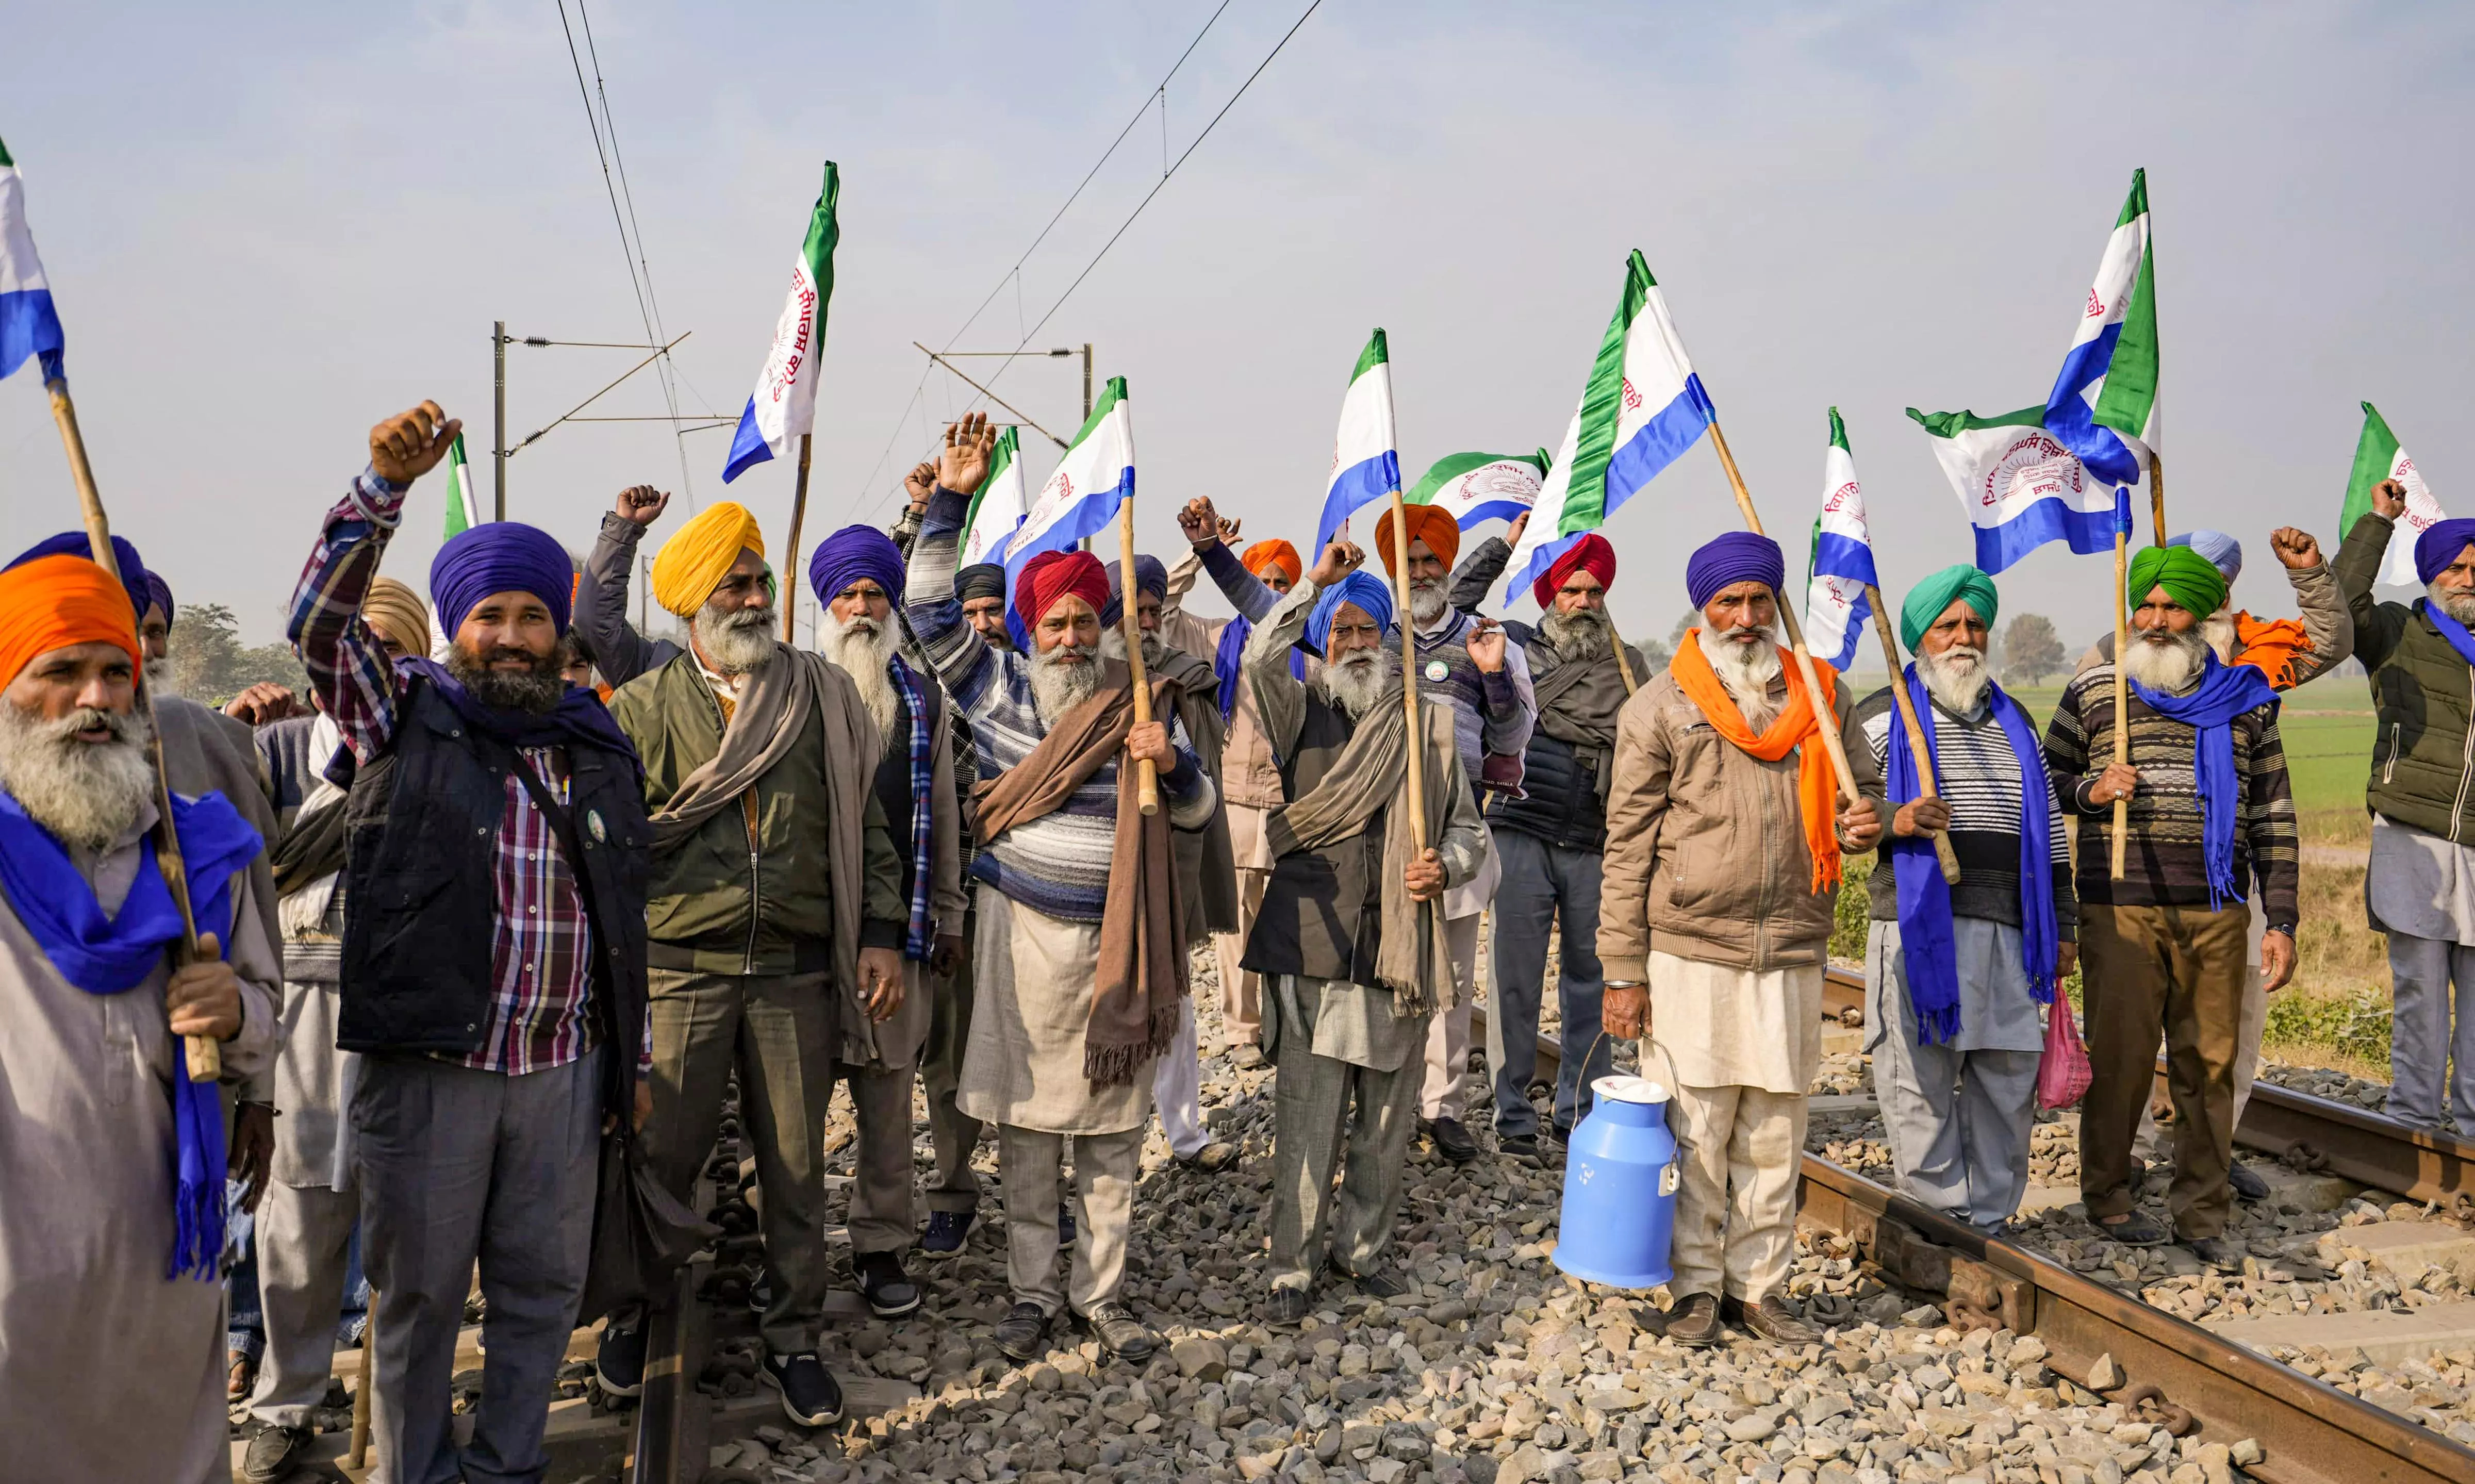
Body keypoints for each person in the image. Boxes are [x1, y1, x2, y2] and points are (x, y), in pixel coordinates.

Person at [288, 401, 655, 1483]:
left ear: (558, 632)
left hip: (559, 1071)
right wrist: (378, 491)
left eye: (531, 615)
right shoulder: (403, 710)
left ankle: (507, 1464)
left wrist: (626, 1062)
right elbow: (318, 627)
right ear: (458, 628)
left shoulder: (594, 739)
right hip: (432, 1065)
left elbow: (620, 914)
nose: (509, 633)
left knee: (542, 1288)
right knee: (419, 1297)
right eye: (488, 613)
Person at [904, 416, 1216, 1366]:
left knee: (1114, 1136)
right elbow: (927, 613)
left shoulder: (1139, 699)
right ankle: (1035, 1292)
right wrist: (950, 499)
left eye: (1086, 619)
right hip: (1019, 941)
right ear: (1034, 630)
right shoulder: (996, 689)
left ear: (1103, 625)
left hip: (1118, 950)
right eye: (1057, 621)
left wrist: (1174, 762)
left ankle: (1103, 1295)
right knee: (1030, 1135)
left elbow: (1198, 815)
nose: (1072, 634)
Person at [589, 499, 908, 1425]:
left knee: (797, 1164)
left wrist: (881, 928)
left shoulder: (821, 692)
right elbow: (618, 843)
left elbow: (865, 821)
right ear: (692, 602)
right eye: (734, 583)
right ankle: (635, 1312)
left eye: (760, 580)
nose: (755, 596)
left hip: (793, 970)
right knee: (660, 1154)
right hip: (681, 965)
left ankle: (794, 1336)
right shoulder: (644, 705)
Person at [0, 551, 283, 1482]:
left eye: (115, 671)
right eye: (60, 671)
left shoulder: (198, 843)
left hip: (165, 1239)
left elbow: (265, 1009)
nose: (94, 696)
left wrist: (234, 1007)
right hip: (19, 1249)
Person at [1598, 532, 1880, 1345]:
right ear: (1704, 607)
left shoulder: (1822, 695)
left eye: (1761, 600)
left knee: (1776, 1125)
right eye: (1731, 601)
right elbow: (1626, 845)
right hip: (1688, 946)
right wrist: (1622, 968)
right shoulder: (1659, 705)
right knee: (1697, 1120)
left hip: (1791, 942)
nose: (1748, 616)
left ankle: (1757, 1288)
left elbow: (1864, 801)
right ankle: (1691, 1287)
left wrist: (1869, 822)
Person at [1240, 545, 1484, 1321]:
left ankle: (1364, 1252)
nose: (1352, 642)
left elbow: (1473, 831)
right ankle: (1291, 1269)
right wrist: (1312, 586)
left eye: (1365, 628)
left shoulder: (1431, 726)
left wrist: (1443, 865)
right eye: (1338, 629)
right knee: (1309, 1123)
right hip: (1315, 941)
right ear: (1322, 638)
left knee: (1385, 1120)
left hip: (1401, 947)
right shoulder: (1297, 711)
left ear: (1388, 637)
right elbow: (1257, 657)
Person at [2074, 526, 2350, 1197]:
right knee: (2130, 1036)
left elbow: (2330, 643)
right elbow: (2070, 763)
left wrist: (2312, 575)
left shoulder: (2257, 657)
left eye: (2210, 586)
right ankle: (2129, 1155)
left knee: (2234, 1028)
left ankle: (2213, 1153)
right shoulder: (2116, 654)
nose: (2172, 615)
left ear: (2223, 592)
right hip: (2132, 882)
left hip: (2231, 878)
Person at [2044, 544, 2298, 1271]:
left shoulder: (2248, 698)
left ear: (2203, 613)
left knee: (2209, 1067)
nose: (2155, 621)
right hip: (2119, 909)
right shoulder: (2096, 692)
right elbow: (2046, 778)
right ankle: (2110, 1196)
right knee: (2122, 1061)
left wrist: (2280, 918)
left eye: (2171, 606)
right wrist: (2092, 791)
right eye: (2145, 606)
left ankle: (2201, 1210)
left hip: (2217, 910)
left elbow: (2274, 817)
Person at [1846, 567, 2076, 1235]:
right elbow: (1845, 809)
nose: (1963, 637)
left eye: (1973, 623)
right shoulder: (1885, 715)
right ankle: (1940, 1225)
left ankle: (1991, 1219)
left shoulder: (2016, 720)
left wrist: (2064, 924)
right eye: (1947, 625)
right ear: (1921, 637)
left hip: (2011, 926)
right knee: (1918, 1080)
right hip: (1919, 924)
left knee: (2008, 1078)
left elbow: (2053, 835)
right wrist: (1899, 818)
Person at [806, 524, 968, 1310]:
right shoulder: (793, 687)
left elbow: (940, 807)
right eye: (848, 595)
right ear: (825, 606)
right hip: (806, 938)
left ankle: (880, 1247)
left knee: (886, 1097)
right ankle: (790, 1249)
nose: (862, 608)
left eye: (875, 593)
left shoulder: (921, 694)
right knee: (791, 1108)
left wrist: (949, 916)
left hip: (899, 934)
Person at [1443, 527, 1643, 1164]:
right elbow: (1456, 601)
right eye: (1571, 589)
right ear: (1550, 594)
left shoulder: (1629, 664)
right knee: (1515, 981)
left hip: (1594, 838)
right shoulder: (1516, 651)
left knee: (1593, 978)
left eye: (1593, 589)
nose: (1584, 600)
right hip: (1522, 828)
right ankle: (1513, 1115)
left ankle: (1578, 1111)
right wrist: (1505, 543)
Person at [1372, 502, 1528, 1164]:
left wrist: (1492, 676)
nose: (1420, 570)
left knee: (1453, 975)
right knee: (1383, 971)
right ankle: (1385, 1103)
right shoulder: (1374, 633)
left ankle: (1443, 1106)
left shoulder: (1489, 637)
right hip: (1381, 826)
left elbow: (1514, 734)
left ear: (1445, 564)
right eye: (1407, 563)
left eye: (1430, 560)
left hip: (1459, 827)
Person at [2336, 489, 2475, 1129]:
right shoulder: (2397, 631)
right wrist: (2379, 522)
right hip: (2413, 834)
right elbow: (2341, 605)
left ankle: (2472, 1127)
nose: (2468, 579)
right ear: (2432, 573)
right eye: (2456, 567)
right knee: (2421, 990)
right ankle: (2414, 1123)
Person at [1105, 550, 1241, 1172]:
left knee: (1175, 998)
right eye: (1134, 612)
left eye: (1155, 610)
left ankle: (1185, 1134)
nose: (1148, 621)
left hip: (1173, 854)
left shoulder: (1187, 676)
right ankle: (1108, 1136)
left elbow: (1201, 761)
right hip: (1103, 866)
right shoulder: (1084, 680)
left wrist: (1169, 751)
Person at [1161, 501, 1298, 1061]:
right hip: (1236, 805)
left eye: (1280, 582)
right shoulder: (1217, 639)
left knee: (1288, 929)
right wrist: (1199, 555)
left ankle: (1288, 1033)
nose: (1269, 588)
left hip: (1291, 806)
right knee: (1236, 931)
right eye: (1261, 578)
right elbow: (1162, 611)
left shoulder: (1303, 650)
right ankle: (1244, 1033)